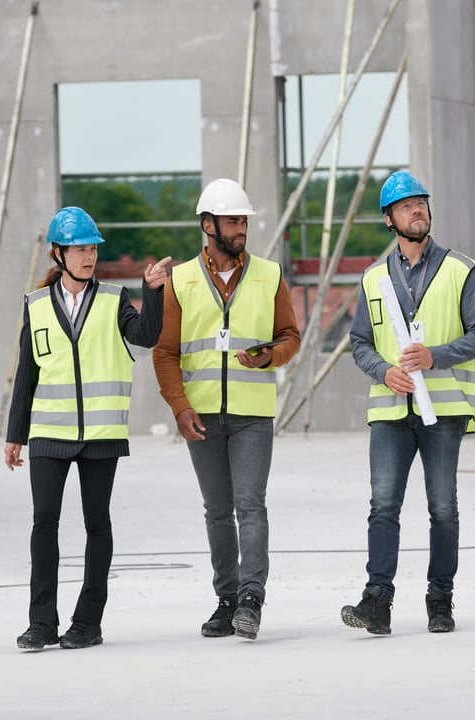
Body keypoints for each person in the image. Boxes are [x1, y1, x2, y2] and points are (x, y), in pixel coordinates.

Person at [5, 206, 170, 651]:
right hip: (47, 434)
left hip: (100, 434)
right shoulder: (36, 305)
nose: (88, 256)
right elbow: (27, 373)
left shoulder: (115, 299)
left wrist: (151, 292)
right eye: (79, 248)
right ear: (58, 253)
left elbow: (147, 336)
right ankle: (41, 624)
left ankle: (87, 623)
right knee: (44, 523)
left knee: (97, 525)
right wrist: (14, 434)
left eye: (92, 248)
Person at [340, 171, 475, 636]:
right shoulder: (372, 280)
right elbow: (359, 341)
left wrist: (435, 356)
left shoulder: (461, 271)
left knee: (442, 507)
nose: (417, 210)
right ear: (390, 219)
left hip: (443, 410)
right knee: (383, 505)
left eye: (422, 203)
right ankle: (377, 602)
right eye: (406, 206)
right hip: (390, 411)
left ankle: (440, 599)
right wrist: (382, 370)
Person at [152, 178, 300, 641]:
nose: (241, 229)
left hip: (253, 412)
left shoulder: (270, 275)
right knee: (217, 510)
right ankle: (227, 599)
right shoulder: (179, 281)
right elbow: (165, 353)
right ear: (208, 225)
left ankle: (252, 599)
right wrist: (178, 407)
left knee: (250, 505)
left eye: (244, 221)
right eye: (233, 221)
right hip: (200, 415)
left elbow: (290, 338)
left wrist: (268, 356)